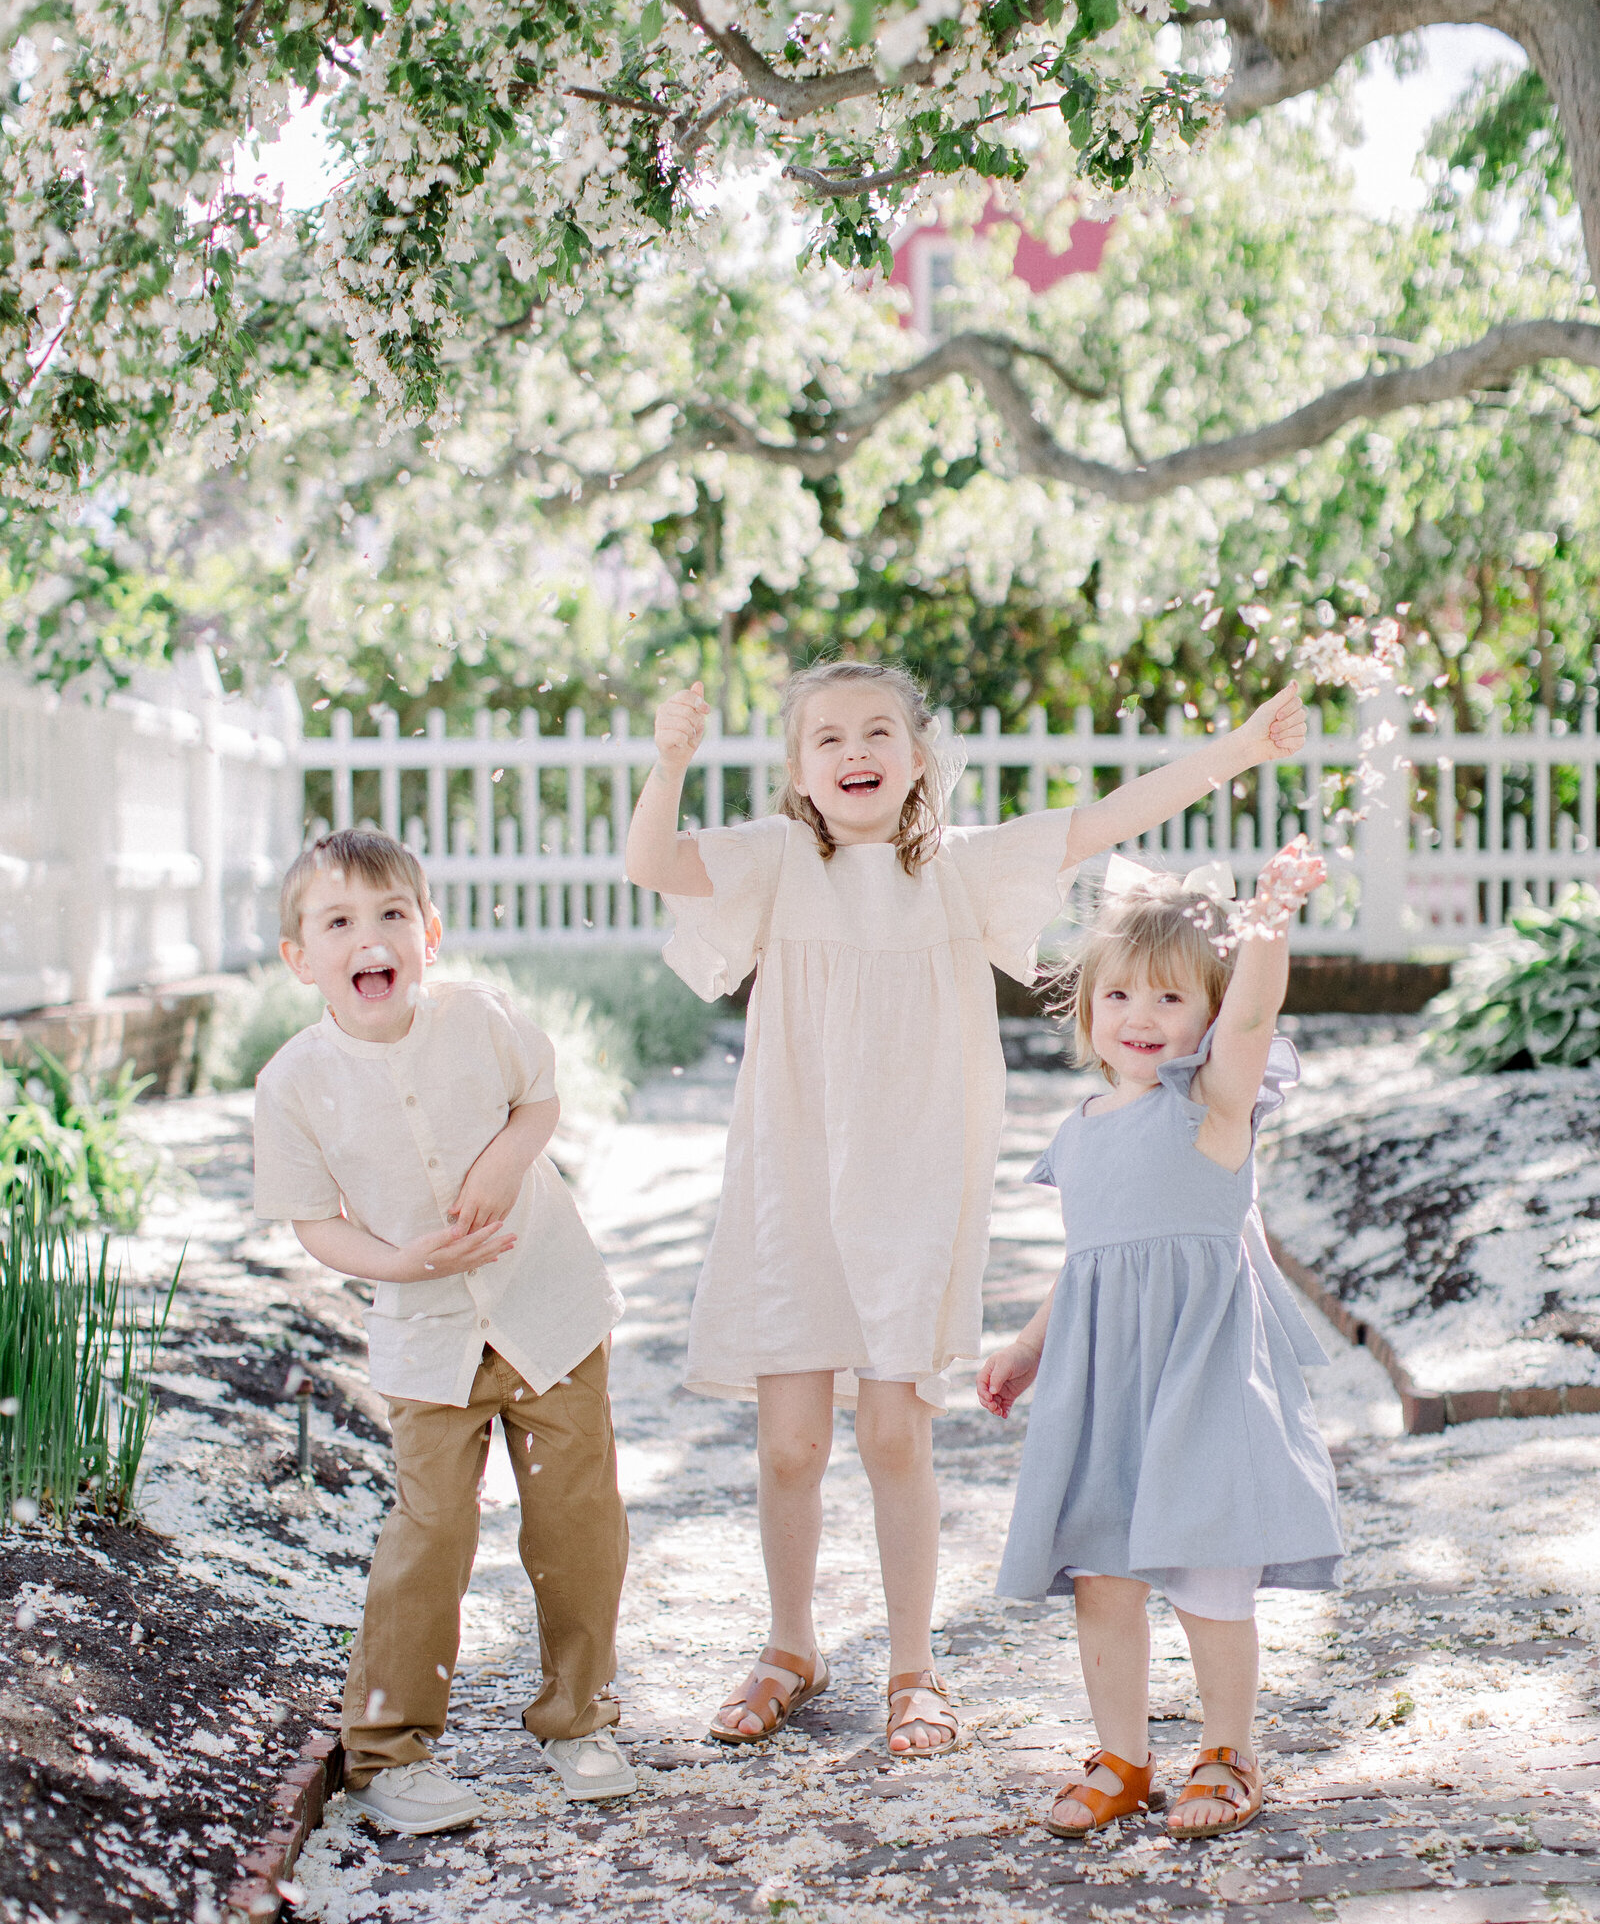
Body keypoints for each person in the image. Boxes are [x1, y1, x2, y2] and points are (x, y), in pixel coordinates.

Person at [625, 660, 1309, 1758]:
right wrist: (669, 760)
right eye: (829, 738)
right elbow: (651, 860)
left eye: (880, 731)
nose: (856, 751)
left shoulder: (960, 872)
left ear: (918, 755)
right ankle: (789, 1644)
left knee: (896, 1431)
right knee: (791, 1443)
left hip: (911, 1182)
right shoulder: (775, 861)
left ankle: (913, 1665)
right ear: (799, 771)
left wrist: (1239, 746)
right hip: (789, 1180)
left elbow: (1102, 821)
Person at [252, 829, 631, 1834]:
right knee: (430, 1533)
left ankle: (577, 1714)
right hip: (428, 1337)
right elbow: (314, 1219)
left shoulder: (479, 1018)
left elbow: (537, 1101)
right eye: (338, 922)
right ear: (301, 957)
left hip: (547, 1308)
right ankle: (388, 1750)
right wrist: (400, 1262)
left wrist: (508, 1158)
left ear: (428, 932)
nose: (367, 938)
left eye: (389, 917)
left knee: (576, 1520)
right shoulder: (295, 1083)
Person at [980, 841, 1344, 1840]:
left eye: (1171, 1001)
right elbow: (1093, 1259)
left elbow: (1258, 1014)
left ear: (1209, 1020)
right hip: (1102, 1379)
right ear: (1086, 1009)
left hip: (1198, 1370)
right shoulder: (1084, 1126)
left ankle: (1228, 1750)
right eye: (1119, 998)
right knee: (1102, 1576)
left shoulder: (1211, 1109)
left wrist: (1266, 924)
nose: (1140, 1019)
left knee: (1208, 1572)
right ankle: (1122, 1754)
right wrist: (1026, 1346)